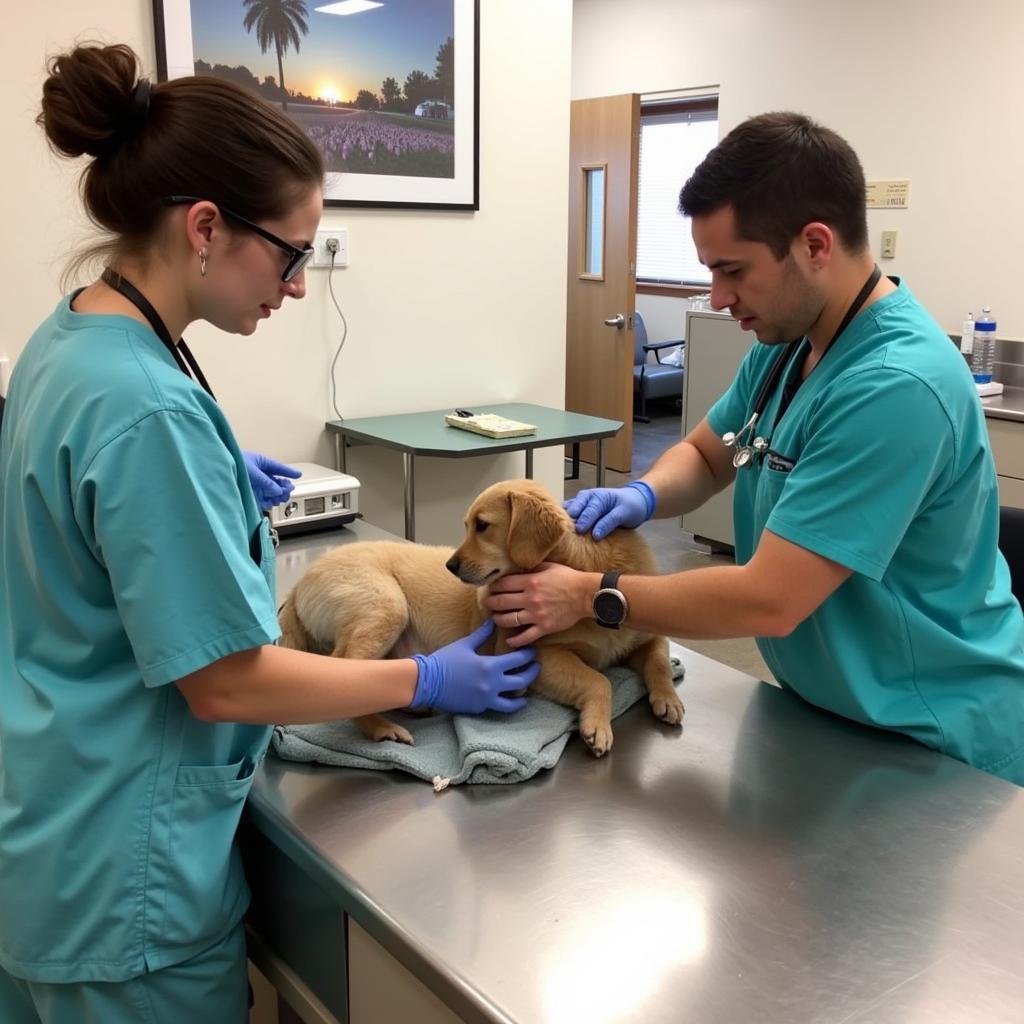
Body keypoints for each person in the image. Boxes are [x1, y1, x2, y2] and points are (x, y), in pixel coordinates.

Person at [0, 43, 537, 1022]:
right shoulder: (144, 409)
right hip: (127, 891)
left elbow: (82, 525)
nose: (296, 285)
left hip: (53, 829)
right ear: (205, 228)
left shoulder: (72, 338)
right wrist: (423, 678)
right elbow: (228, 679)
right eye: (290, 253)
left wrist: (205, 481)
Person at [486, 111, 1024, 785]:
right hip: (833, 708)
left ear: (815, 245)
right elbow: (712, 453)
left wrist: (594, 595)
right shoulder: (791, 344)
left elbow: (769, 599)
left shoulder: (896, 388)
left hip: (931, 735)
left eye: (732, 270)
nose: (718, 298)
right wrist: (643, 493)